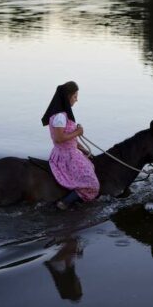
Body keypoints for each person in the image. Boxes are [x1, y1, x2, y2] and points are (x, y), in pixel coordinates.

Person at [41, 81, 100, 210]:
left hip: (70, 151)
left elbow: (68, 139)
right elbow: (59, 138)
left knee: (90, 165)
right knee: (92, 184)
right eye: (75, 96)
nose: (76, 100)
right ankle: (65, 202)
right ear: (68, 97)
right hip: (66, 156)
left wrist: (83, 149)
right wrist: (77, 132)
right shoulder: (60, 117)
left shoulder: (63, 115)